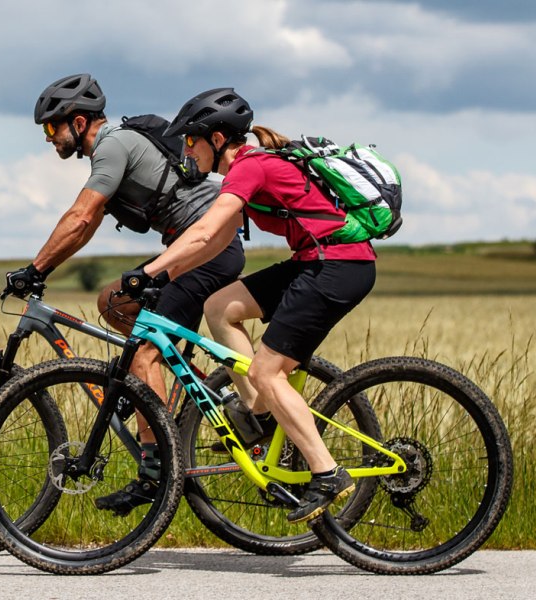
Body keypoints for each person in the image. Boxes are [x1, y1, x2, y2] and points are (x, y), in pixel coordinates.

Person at [121, 87, 378, 523]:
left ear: (216, 139)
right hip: (316, 261)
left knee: (266, 369)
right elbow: (215, 241)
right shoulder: (250, 170)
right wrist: (167, 273)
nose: (186, 150)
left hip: (336, 265)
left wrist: (147, 273)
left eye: (191, 140)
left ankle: (327, 472)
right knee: (220, 306)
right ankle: (259, 414)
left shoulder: (251, 166)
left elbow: (203, 233)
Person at [3, 74, 253, 516]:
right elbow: (88, 225)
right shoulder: (114, 150)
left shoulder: (112, 147)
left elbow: (80, 216)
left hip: (205, 249)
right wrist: (47, 266)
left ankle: (156, 473)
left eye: (50, 128)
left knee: (143, 354)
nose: (48, 139)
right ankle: (187, 390)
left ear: (78, 122)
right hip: (197, 250)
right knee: (111, 303)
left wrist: (34, 270)